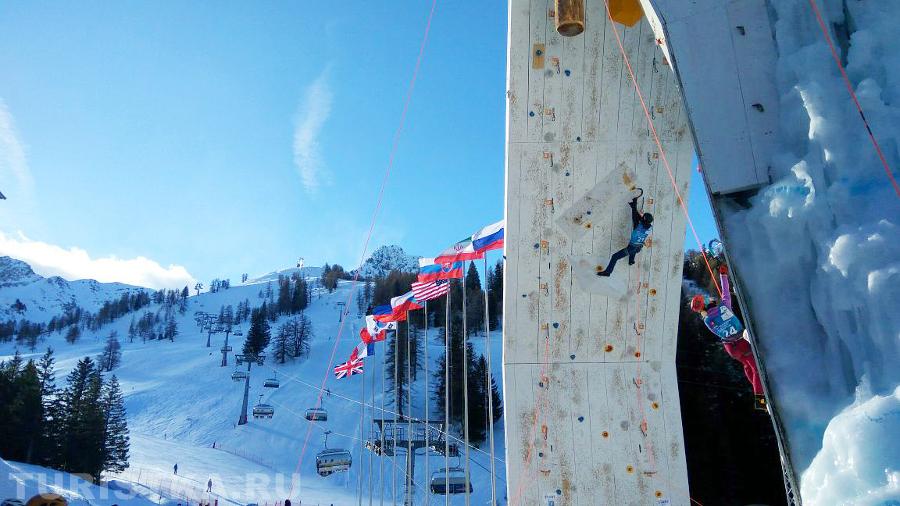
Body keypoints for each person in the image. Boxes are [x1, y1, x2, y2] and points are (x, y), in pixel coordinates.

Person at [691, 265, 766, 410]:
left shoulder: (707, 321)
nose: (707, 297)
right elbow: (726, 292)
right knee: (755, 368)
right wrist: (723, 275)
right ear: (706, 303)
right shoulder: (724, 307)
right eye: (705, 298)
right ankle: (761, 401)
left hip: (730, 348)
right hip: (741, 342)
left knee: (747, 366)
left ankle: (759, 392)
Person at [597, 192, 653, 277]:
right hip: (639, 247)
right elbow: (640, 219)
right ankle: (631, 261)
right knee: (634, 250)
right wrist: (634, 207)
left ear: (644, 220)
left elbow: (636, 216)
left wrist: (634, 204)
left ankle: (608, 272)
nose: (642, 217)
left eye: (643, 217)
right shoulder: (649, 227)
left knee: (614, 257)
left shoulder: (639, 226)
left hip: (632, 247)